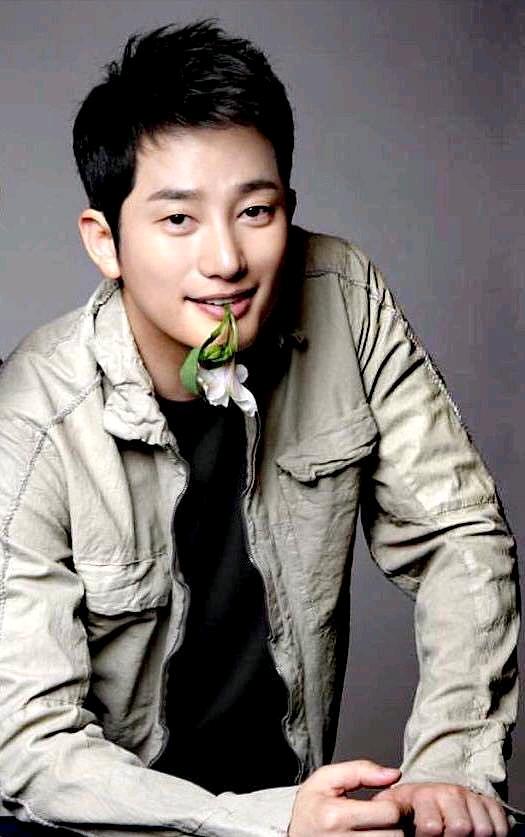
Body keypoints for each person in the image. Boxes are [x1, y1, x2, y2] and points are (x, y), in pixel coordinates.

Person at [0, 20, 521, 837]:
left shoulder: (341, 295)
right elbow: (33, 749)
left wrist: (449, 761)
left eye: (254, 210)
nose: (226, 259)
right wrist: (267, 822)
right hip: (94, 824)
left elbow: (458, 534)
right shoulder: (31, 417)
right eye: (178, 220)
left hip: (299, 807)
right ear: (106, 241)